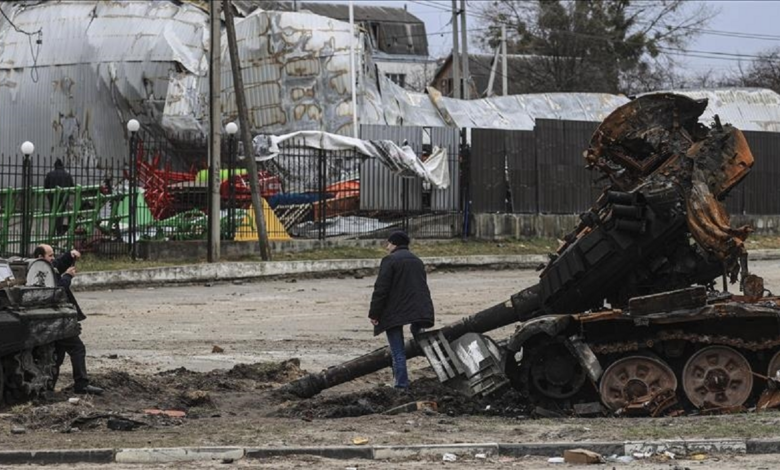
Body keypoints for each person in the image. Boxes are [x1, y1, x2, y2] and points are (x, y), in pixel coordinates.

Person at [33, 244, 104, 395]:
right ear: (41, 257)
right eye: (50, 255)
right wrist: (67, 276)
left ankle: (48, 387)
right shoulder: (40, 273)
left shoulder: (42, 268)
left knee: (58, 355)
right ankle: (81, 384)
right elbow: (57, 290)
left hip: (54, 319)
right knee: (77, 348)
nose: (53, 258)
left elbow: (58, 263)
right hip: (58, 319)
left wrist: (69, 255)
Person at [368, 230, 434, 390]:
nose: (387, 247)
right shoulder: (417, 261)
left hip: (395, 311)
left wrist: (374, 313)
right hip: (418, 309)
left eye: (389, 243)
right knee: (421, 338)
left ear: (395, 244)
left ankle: (401, 385)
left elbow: (381, 289)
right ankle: (435, 364)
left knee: (398, 351)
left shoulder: (390, 260)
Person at [44, 159, 74, 236]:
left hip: (52, 196)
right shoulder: (67, 175)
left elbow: (46, 186)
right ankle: (59, 230)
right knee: (60, 214)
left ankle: (52, 231)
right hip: (63, 196)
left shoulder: (50, 174)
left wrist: (49, 195)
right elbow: (72, 186)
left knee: (53, 213)